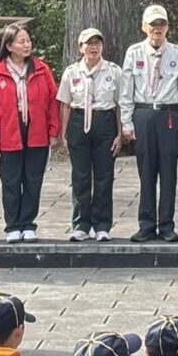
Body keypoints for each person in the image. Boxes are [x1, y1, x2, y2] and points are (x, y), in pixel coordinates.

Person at [0, 22, 61, 244]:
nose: (27, 45)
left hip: (36, 131)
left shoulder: (41, 69)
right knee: (11, 181)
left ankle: (28, 224)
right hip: (8, 133)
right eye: (21, 41)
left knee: (33, 180)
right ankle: (13, 225)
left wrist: (53, 130)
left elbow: (53, 101)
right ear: (9, 46)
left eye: (28, 41)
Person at [121, 5, 178, 245]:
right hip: (143, 113)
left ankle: (167, 225)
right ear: (144, 26)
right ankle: (146, 225)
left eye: (161, 24)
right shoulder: (134, 52)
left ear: (167, 27)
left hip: (168, 114)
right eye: (153, 24)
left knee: (168, 172)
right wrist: (126, 122)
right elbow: (126, 91)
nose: (157, 29)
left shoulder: (177, 53)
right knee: (146, 171)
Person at [58, 28, 122, 243]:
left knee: (104, 176)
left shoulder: (114, 71)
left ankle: (102, 225)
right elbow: (65, 105)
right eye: (89, 43)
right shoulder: (72, 72)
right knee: (80, 176)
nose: (94, 47)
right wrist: (63, 134)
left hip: (104, 121)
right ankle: (81, 225)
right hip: (78, 121)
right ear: (80, 47)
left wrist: (120, 134)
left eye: (97, 43)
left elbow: (120, 105)